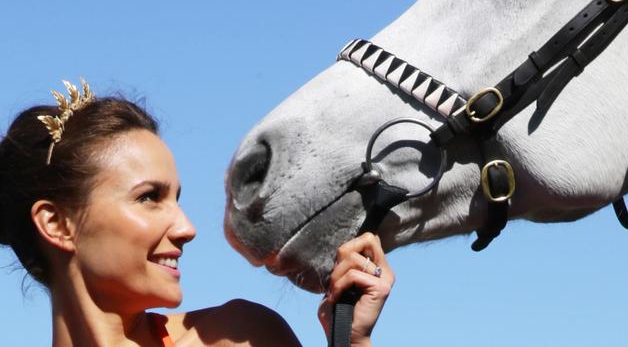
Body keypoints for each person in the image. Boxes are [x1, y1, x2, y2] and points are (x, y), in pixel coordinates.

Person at [0, 79, 394, 347]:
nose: (187, 228)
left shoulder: (242, 337)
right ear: (56, 224)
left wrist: (352, 339)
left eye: (177, 198)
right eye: (148, 197)